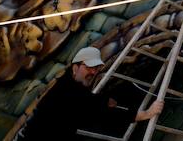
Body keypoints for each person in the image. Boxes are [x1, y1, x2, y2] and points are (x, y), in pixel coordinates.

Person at [21, 47, 152, 139]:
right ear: (75, 67)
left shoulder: (69, 84)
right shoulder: (67, 92)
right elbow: (100, 114)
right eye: (88, 67)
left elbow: (86, 100)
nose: (93, 72)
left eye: (96, 68)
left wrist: (104, 101)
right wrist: (142, 115)